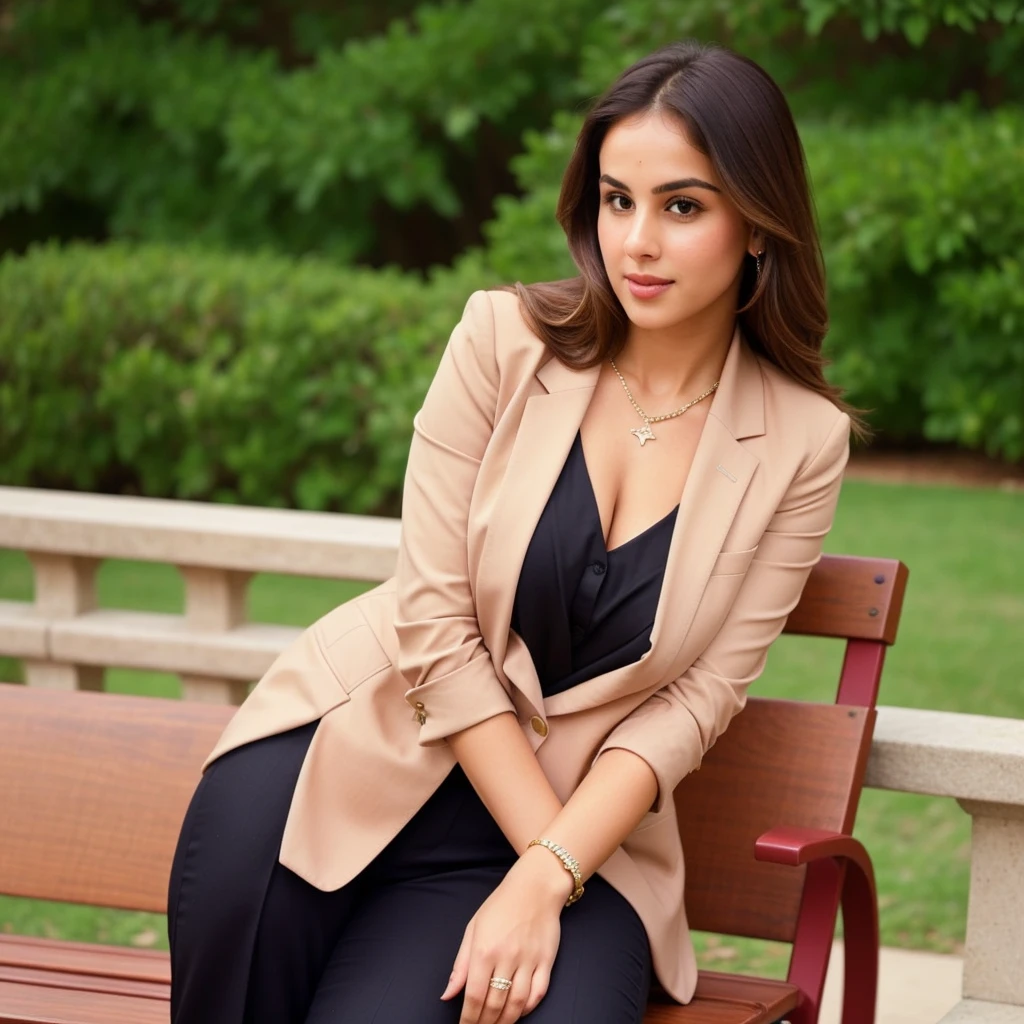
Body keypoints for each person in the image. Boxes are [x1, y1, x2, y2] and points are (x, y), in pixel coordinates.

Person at [167, 38, 861, 1024]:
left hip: (569, 826)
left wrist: (545, 872)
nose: (637, 243)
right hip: (347, 763)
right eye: (617, 200)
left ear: (758, 225)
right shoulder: (502, 342)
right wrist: (548, 864)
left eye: (682, 206)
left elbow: (698, 699)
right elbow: (435, 621)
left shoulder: (802, 440)